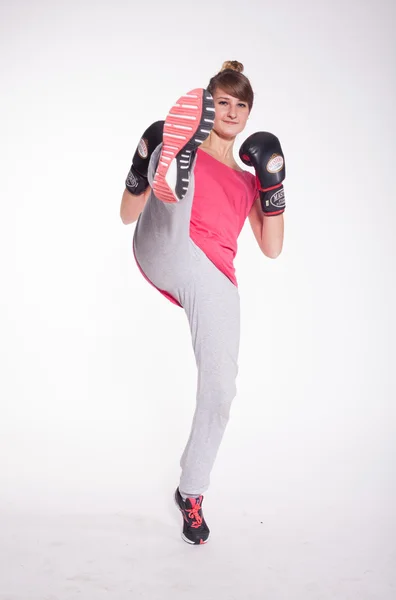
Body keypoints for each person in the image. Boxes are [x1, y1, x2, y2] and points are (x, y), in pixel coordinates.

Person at [120, 61, 286, 545]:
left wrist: (273, 185)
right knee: (177, 180)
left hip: (213, 273)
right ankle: (162, 166)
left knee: (220, 390)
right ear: (208, 105)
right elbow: (126, 216)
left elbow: (272, 248)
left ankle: (190, 492)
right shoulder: (185, 146)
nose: (232, 111)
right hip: (165, 242)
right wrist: (140, 171)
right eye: (223, 102)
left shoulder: (249, 178)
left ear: (249, 113)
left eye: (241, 105)